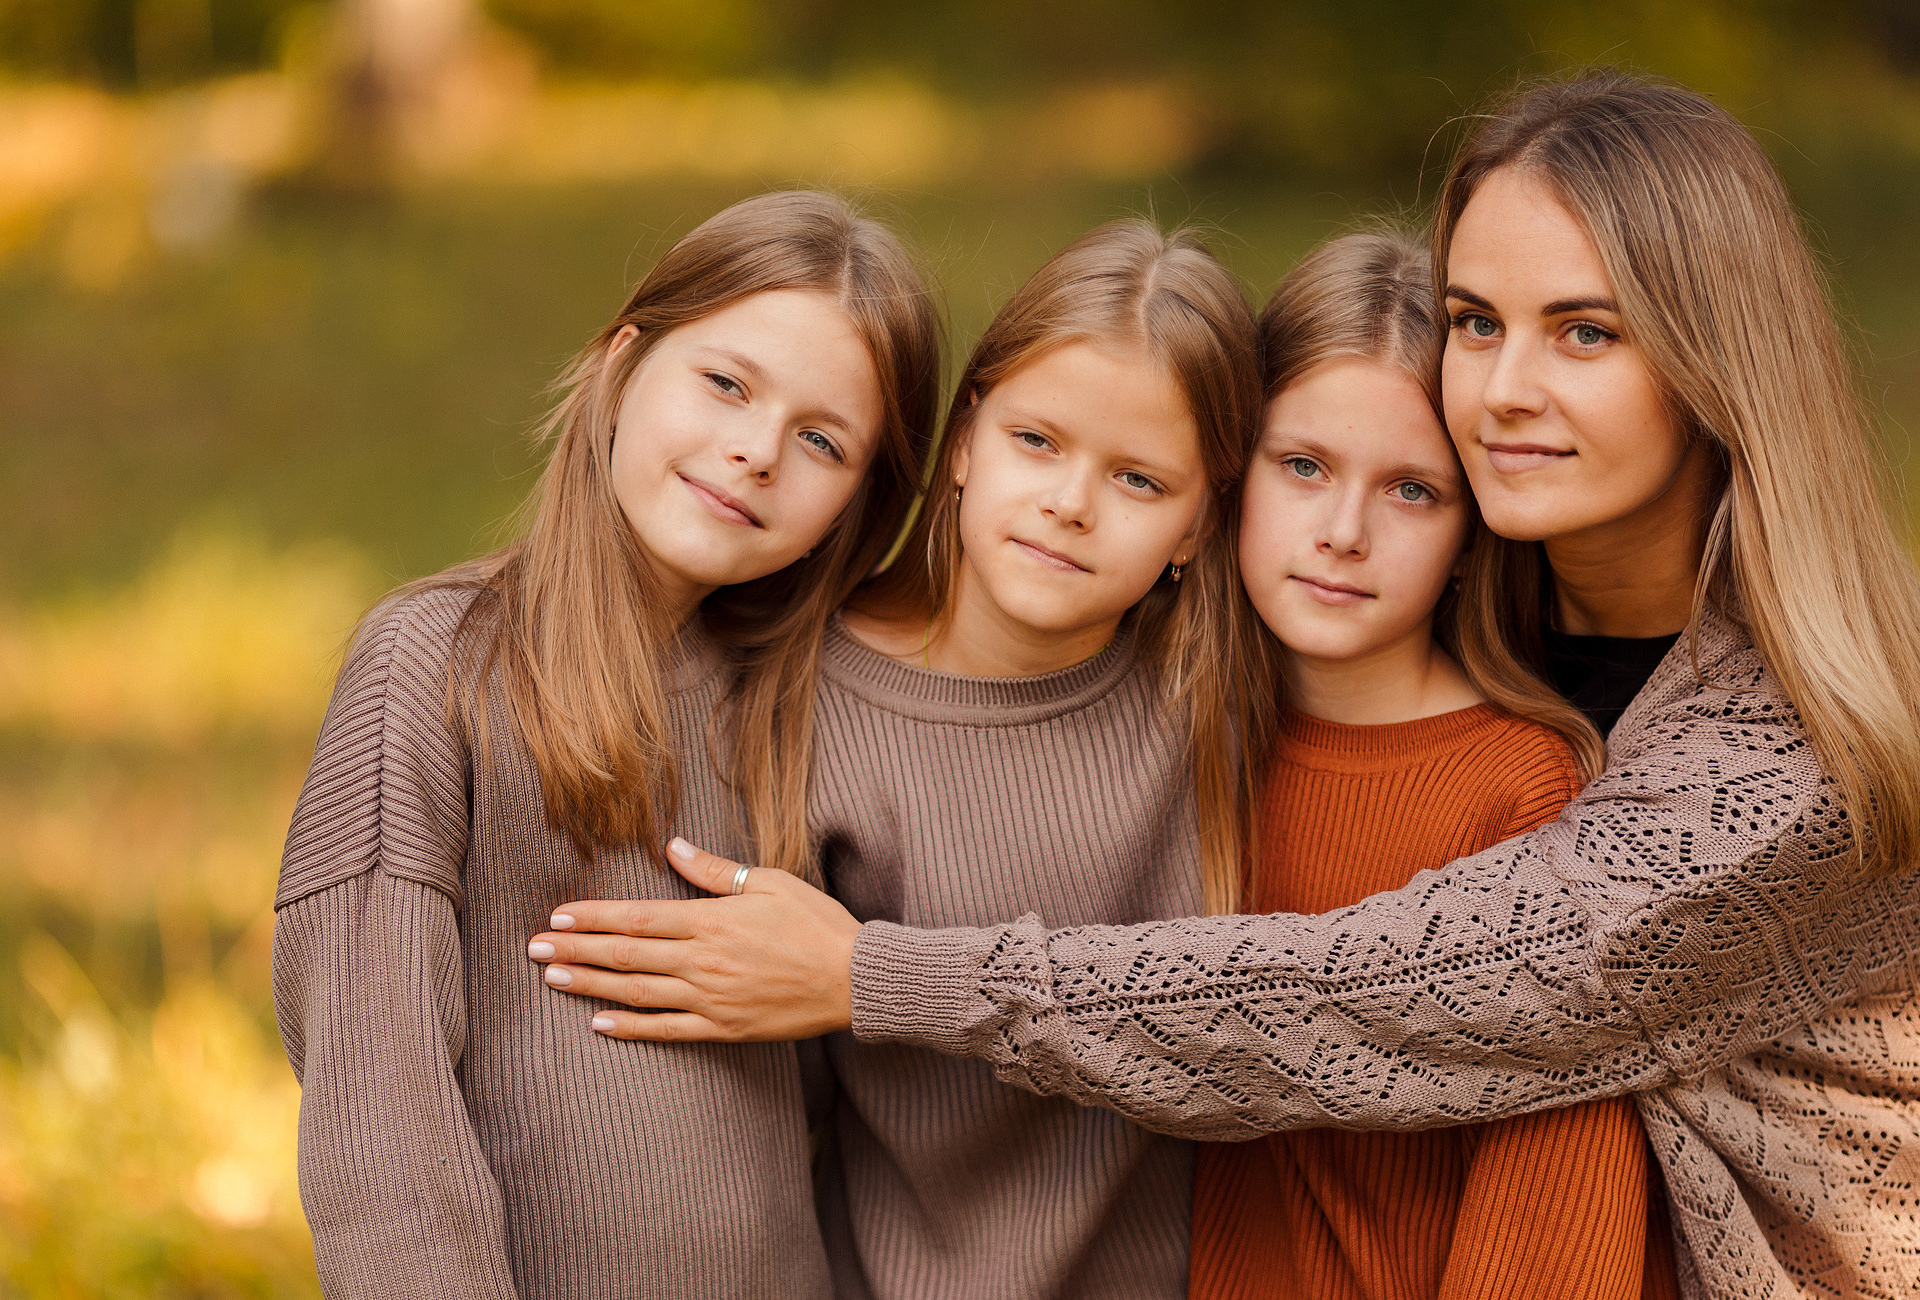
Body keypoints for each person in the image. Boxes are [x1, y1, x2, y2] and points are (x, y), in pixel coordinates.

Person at [526, 73, 1920, 1299]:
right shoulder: (1468, 615)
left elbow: (1405, 989)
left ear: (1713, 356)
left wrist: (874, 973)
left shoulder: (1793, 750)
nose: (1500, 388)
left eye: (1585, 334)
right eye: (1475, 321)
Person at [545, 217, 1260, 1298]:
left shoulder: (1222, 707)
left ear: (1202, 523)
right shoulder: (797, 694)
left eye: (1139, 482)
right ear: (965, 441)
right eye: (1039, 442)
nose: (1070, 503)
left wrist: (874, 976)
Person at [270, 190, 940, 1299]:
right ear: (623, 364)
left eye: (822, 440)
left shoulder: (814, 710)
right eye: (726, 383)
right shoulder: (436, 663)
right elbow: (379, 1121)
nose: (755, 451)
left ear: (860, 505)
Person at [1191, 227, 1672, 1299]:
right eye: (1304, 466)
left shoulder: (1521, 786)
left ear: (1471, 533)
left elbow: (1558, 1196)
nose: (1344, 531)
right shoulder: (1183, 745)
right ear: (1234, 473)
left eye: (1412, 490)